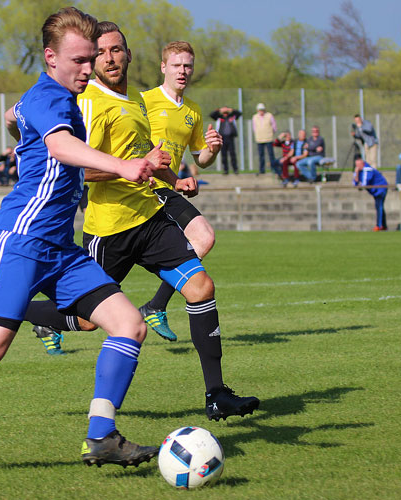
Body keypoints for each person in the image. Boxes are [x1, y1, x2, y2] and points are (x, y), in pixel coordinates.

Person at [0, 7, 168, 478]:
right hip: (19, 242)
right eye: (81, 60)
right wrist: (125, 165)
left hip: (61, 250)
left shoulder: (49, 99)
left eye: (94, 58)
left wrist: (17, 125)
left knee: (128, 324)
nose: (90, 68)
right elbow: (60, 146)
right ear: (50, 57)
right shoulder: (51, 99)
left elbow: (18, 119)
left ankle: (101, 435)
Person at [25, 23, 259, 421]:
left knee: (201, 286)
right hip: (110, 229)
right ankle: (22, 310)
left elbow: (144, 154)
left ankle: (216, 394)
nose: (111, 58)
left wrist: (173, 178)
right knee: (85, 321)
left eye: (117, 50)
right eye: (101, 53)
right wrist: (126, 170)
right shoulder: (91, 104)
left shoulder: (135, 99)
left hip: (149, 219)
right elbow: (79, 169)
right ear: (93, 60)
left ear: (129, 55)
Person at [137, 40, 223, 342]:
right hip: (146, 187)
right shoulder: (143, 100)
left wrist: (211, 149)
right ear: (163, 67)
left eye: (187, 65)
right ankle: (53, 319)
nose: (182, 71)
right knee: (99, 284)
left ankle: (155, 305)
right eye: (176, 65)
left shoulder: (193, 110)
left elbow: (203, 159)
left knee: (203, 238)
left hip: (168, 185)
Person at [353, 157, 387, 231]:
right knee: (379, 206)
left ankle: (379, 226)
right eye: (356, 165)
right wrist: (357, 173)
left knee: (379, 206)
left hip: (381, 188)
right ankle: (384, 225)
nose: (357, 167)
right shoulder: (358, 170)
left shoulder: (367, 169)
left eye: (359, 165)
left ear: (363, 163)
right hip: (375, 191)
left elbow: (365, 184)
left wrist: (359, 184)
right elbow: (355, 183)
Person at [209, 106, 241, 174]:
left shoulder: (232, 116)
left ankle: (235, 169)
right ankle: (225, 170)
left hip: (230, 138)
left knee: (232, 154)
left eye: (226, 112)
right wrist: (219, 110)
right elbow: (211, 115)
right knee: (223, 155)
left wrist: (231, 109)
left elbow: (239, 114)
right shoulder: (219, 117)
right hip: (222, 138)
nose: (225, 113)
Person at [252, 103, 276, 175]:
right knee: (261, 155)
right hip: (259, 139)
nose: (261, 111)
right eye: (260, 110)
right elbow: (254, 127)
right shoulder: (255, 117)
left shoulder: (269, 115)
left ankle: (273, 168)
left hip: (268, 138)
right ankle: (262, 170)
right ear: (257, 110)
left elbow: (274, 126)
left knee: (271, 154)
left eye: (262, 110)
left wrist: (271, 133)